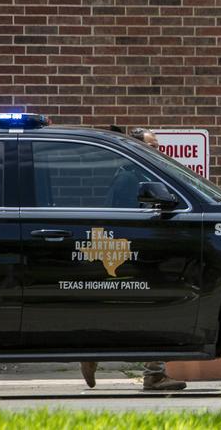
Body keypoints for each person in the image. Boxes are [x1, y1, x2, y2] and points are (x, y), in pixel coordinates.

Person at [82, 127, 188, 391]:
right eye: (151, 146)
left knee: (134, 312)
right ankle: (153, 373)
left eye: (157, 146)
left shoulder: (136, 175)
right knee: (153, 311)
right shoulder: (131, 178)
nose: (156, 151)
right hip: (136, 254)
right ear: (137, 147)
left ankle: (94, 351)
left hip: (139, 252)